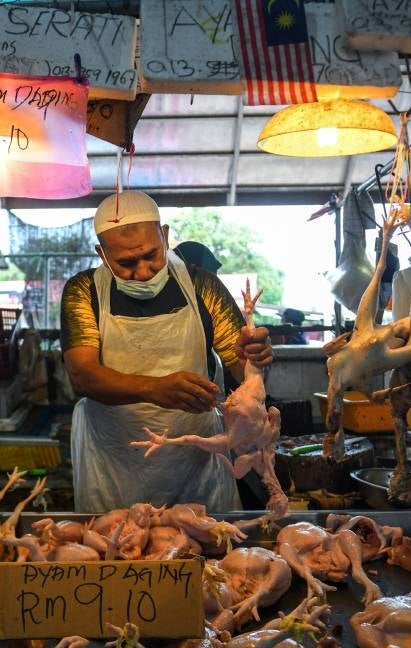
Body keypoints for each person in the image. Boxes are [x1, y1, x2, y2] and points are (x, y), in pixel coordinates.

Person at [61, 191, 273, 513]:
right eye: (126, 263)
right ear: (102, 254)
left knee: (206, 550)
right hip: (113, 460)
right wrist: (155, 388)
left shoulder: (203, 286)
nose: (144, 271)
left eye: (151, 255)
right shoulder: (84, 292)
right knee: (116, 552)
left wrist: (254, 358)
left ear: (165, 236)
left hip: (194, 460)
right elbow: (83, 376)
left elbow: (241, 370)